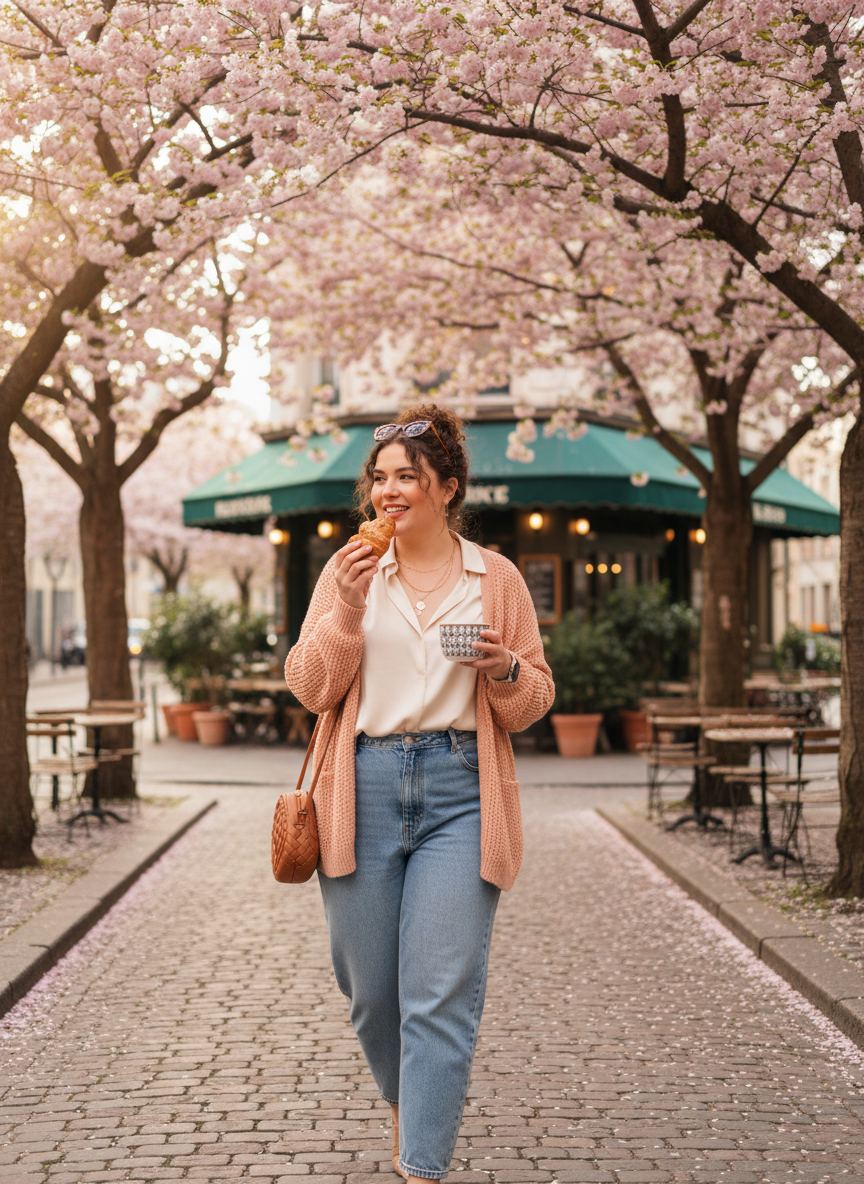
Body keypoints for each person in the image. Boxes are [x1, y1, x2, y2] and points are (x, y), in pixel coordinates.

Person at [285, 404, 554, 1182]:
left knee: (439, 993)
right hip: (361, 787)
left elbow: (534, 699)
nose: (388, 491)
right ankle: (410, 1109)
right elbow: (311, 688)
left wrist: (506, 669)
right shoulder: (349, 572)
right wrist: (345, 608)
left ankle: (421, 1165)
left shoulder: (495, 579)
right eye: (381, 478)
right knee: (372, 993)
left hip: (461, 792)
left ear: (448, 488)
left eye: (408, 477)